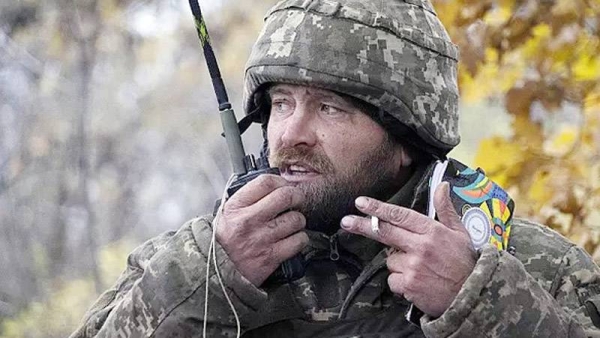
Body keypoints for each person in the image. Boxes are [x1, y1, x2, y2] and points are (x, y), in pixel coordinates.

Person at [70, 0, 600, 337]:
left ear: (406, 141)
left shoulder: (533, 269)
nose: (291, 134)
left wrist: (479, 304)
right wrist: (208, 281)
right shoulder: (194, 264)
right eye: (281, 102)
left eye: (330, 108)